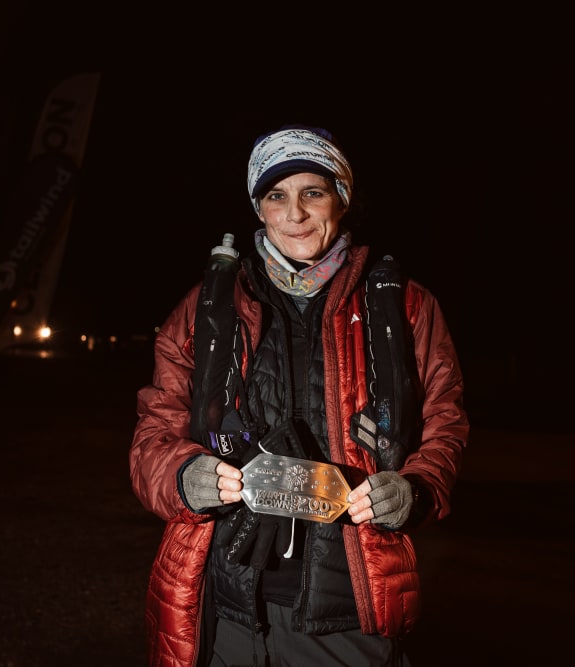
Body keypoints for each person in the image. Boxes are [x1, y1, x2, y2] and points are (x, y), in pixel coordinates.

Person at [129, 124, 469, 666]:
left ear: (342, 200)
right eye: (276, 196)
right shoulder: (204, 308)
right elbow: (154, 432)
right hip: (225, 608)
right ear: (258, 208)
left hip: (346, 616)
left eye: (313, 192)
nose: (295, 214)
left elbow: (445, 423)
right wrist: (182, 475)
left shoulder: (406, 305)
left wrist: (417, 488)